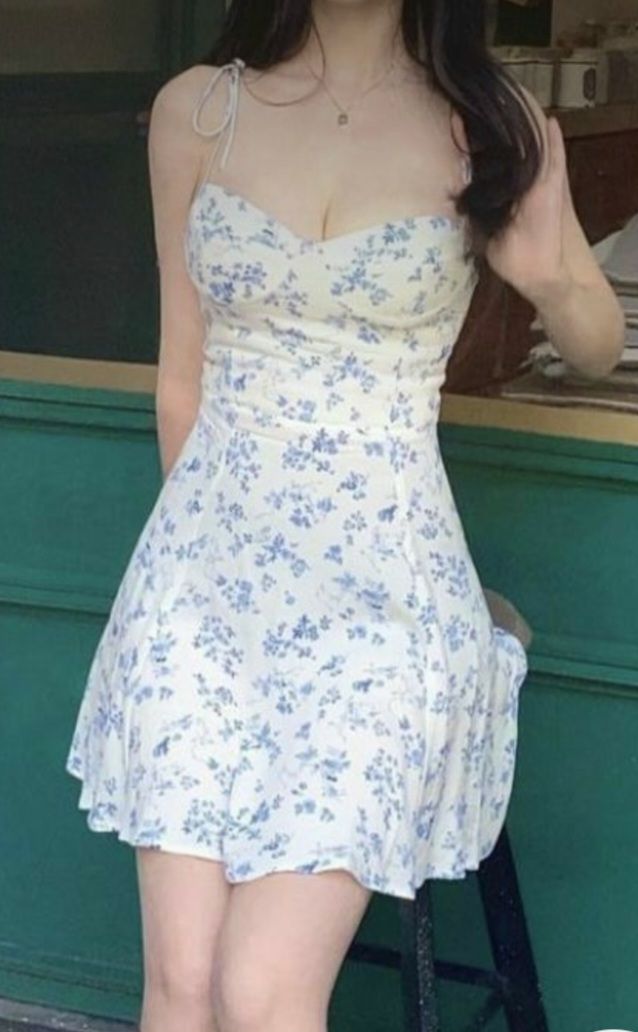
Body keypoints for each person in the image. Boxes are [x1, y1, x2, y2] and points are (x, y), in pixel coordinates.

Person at [65, 2, 625, 1030]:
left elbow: (596, 345)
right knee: (180, 984)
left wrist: (547, 276)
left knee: (261, 991)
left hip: (381, 605)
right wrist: (192, 589)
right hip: (200, 596)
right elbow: (181, 382)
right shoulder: (200, 110)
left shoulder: (483, 119)